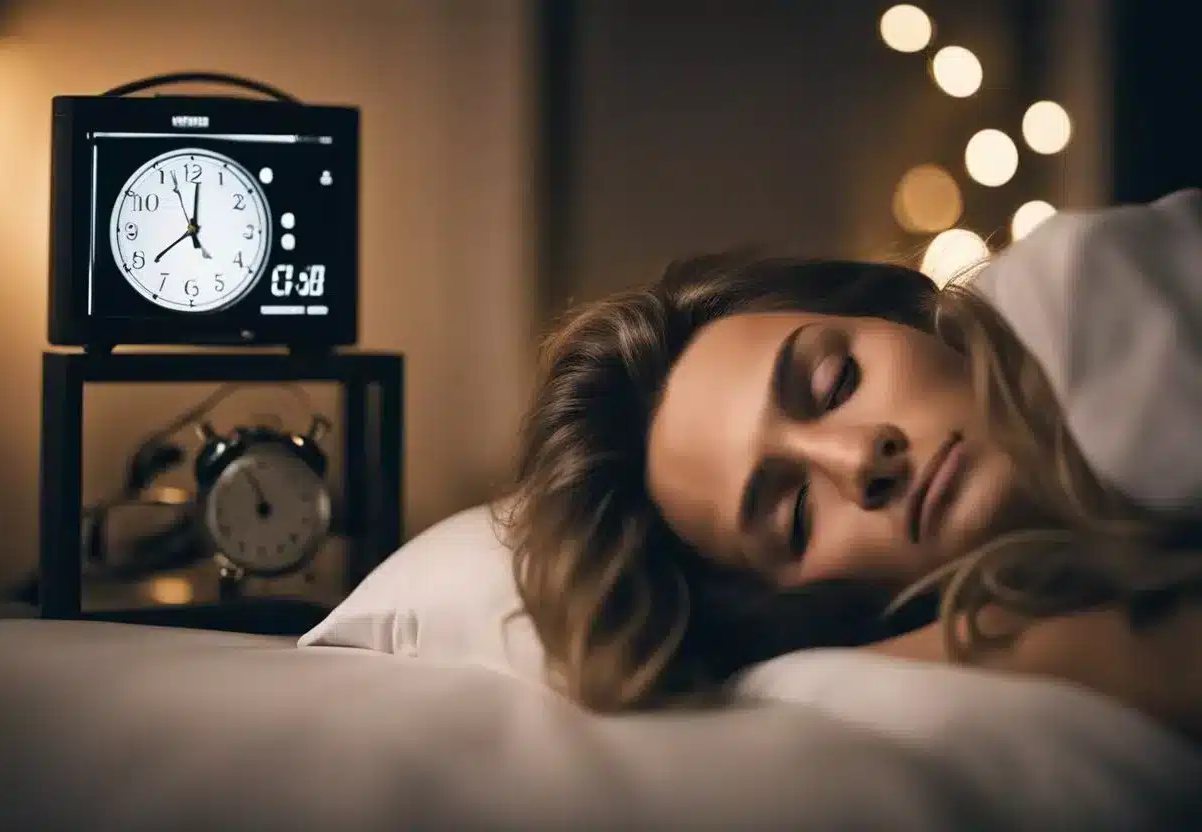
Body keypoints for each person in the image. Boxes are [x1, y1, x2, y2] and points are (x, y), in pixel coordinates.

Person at [498, 192, 1202, 739]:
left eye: (837, 381)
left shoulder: (1096, 287)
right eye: (796, 514)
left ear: (899, 314)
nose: (861, 458)